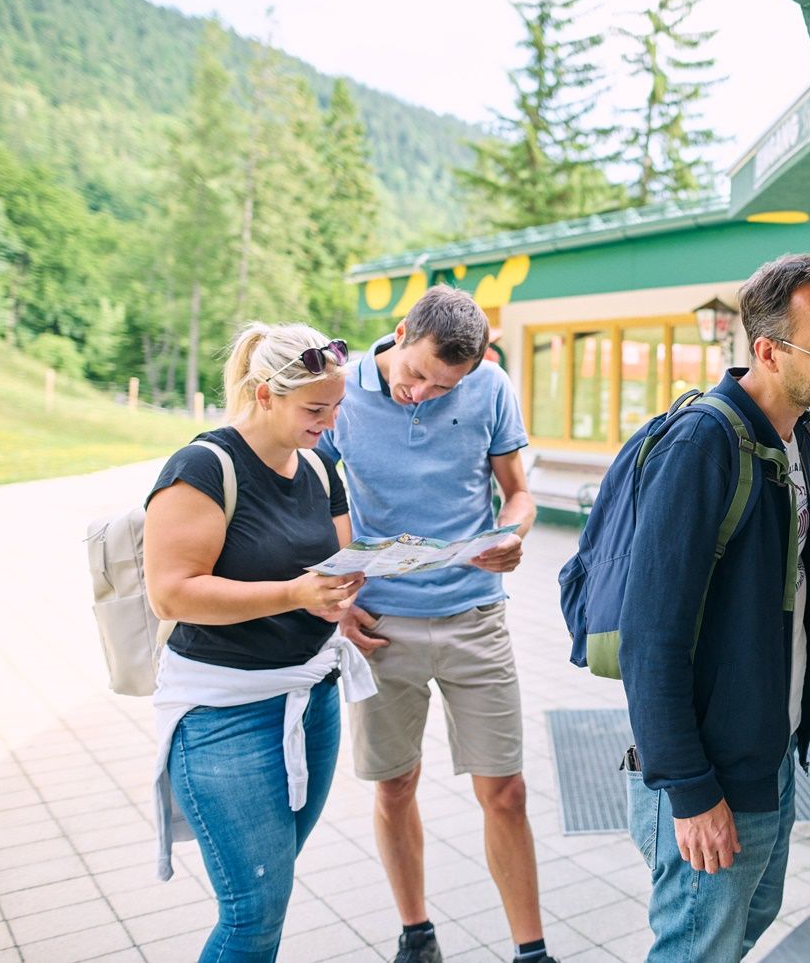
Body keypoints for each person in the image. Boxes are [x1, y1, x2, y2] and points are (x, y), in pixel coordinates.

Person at [620, 253, 810, 962]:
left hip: (767, 753)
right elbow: (650, 638)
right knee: (696, 949)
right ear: (767, 350)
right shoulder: (705, 443)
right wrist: (690, 790)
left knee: (738, 930)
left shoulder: (792, 436)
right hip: (710, 768)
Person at [315, 286, 550, 963]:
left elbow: (518, 492)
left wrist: (512, 532)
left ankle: (532, 951)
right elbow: (313, 498)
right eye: (416, 374)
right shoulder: (340, 393)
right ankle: (416, 934)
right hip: (380, 622)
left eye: (444, 386)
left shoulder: (490, 387)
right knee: (395, 785)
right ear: (399, 333)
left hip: (475, 615)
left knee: (505, 790)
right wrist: (337, 604)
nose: (421, 393)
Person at [144, 323, 372, 963]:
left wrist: (351, 585)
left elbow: (336, 562)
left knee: (270, 896)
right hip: (224, 714)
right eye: (315, 409)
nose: (329, 423)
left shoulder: (320, 466)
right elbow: (172, 595)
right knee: (253, 912)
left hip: (312, 700)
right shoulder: (202, 467)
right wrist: (295, 594)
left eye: (337, 407)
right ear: (266, 393)